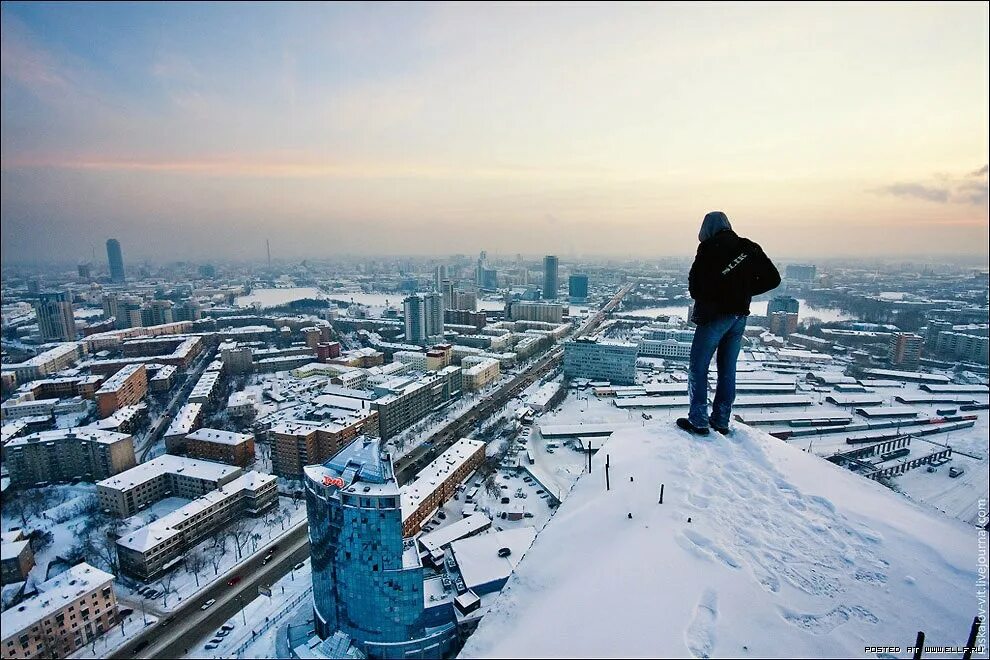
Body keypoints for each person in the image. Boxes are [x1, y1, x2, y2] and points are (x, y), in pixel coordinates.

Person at [677, 211, 780, 435]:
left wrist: (718, 294)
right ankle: (721, 420)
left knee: (698, 366)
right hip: (739, 316)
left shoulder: (708, 249)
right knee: (727, 369)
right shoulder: (749, 247)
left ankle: (698, 420)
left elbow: (695, 288)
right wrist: (743, 291)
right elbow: (773, 278)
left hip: (714, 317)